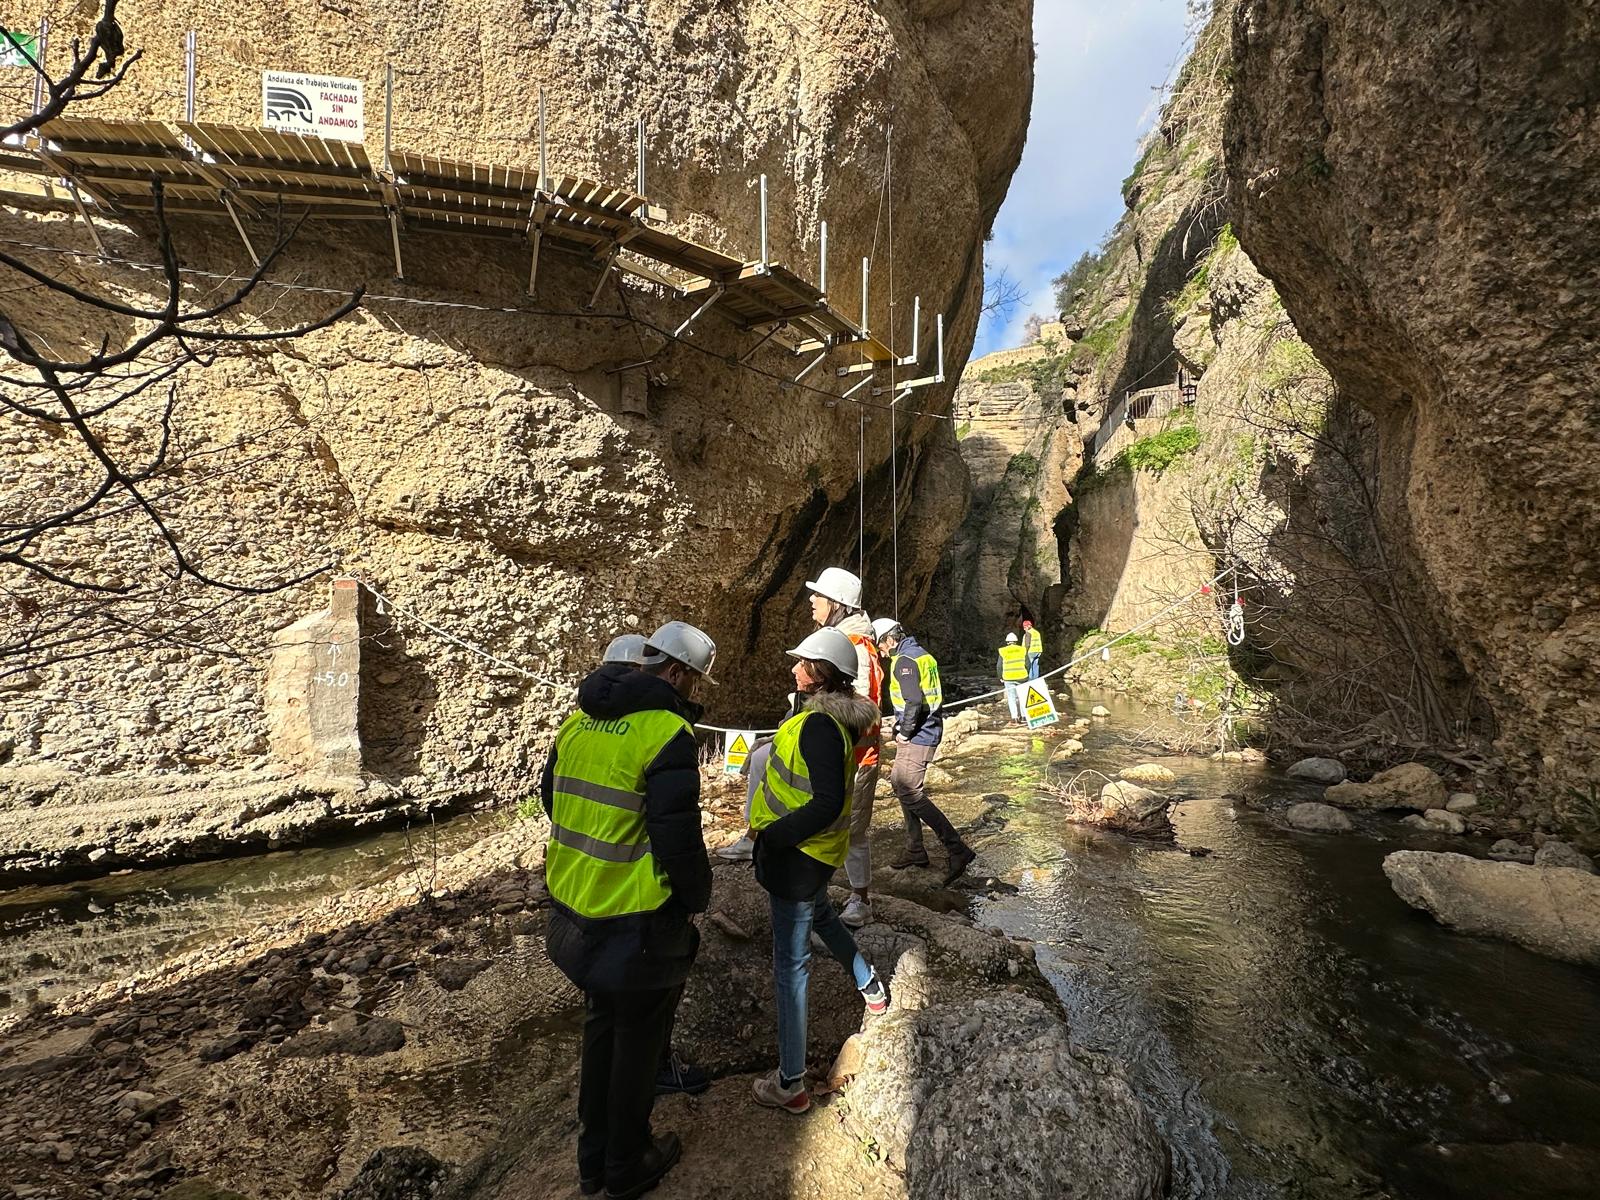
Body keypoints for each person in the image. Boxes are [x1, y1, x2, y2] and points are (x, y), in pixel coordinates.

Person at [540, 620, 716, 1200]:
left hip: (572, 906)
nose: (691, 692)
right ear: (674, 672)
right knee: (638, 1042)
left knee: (600, 1030)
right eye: (691, 680)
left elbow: (553, 800)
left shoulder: (577, 722)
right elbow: (678, 838)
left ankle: (592, 1162)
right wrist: (695, 899)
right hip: (634, 917)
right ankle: (626, 1164)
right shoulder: (664, 733)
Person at [750, 627, 889, 1114]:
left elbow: (828, 803)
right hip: (809, 853)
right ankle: (871, 988)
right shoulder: (819, 721)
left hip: (798, 855)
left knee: (790, 967)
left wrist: (773, 837)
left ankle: (791, 1083)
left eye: (801, 662)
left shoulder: (819, 728)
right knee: (823, 916)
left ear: (819, 675)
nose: (793, 667)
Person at [719, 568, 885, 935]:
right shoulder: (836, 638)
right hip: (821, 748)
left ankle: (861, 899)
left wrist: (821, 740)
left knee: (852, 829)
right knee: (764, 760)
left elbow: (861, 711)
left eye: (818, 596)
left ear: (837, 605)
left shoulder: (856, 647)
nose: (811, 601)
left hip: (851, 757)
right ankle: (753, 837)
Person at [870, 618, 976, 886]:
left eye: (880, 645)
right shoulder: (922, 655)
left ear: (890, 640)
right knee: (897, 782)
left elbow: (914, 701)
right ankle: (915, 849)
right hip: (926, 728)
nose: (880, 651)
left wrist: (902, 731)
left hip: (920, 734)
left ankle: (956, 848)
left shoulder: (904, 660)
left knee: (909, 791)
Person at [997, 632, 1029, 724]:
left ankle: (1014, 718)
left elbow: (999, 666)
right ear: (1016, 641)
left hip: (1008, 678)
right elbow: (1028, 664)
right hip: (1022, 677)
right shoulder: (1023, 650)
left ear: (1007, 642)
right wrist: (1026, 673)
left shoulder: (1003, 651)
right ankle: (1024, 717)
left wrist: (1000, 677)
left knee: (1011, 697)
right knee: (1022, 697)